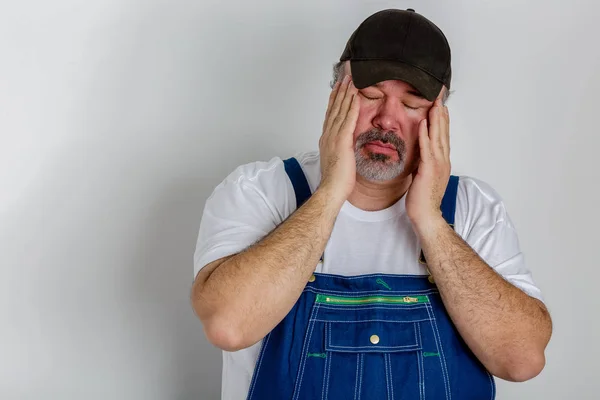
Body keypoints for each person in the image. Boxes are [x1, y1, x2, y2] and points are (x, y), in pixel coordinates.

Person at [191, 8, 553, 400]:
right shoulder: (261, 190)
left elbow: (522, 360)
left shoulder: (472, 208)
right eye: (370, 95)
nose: (387, 119)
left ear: (439, 117)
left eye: (413, 104)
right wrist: (330, 193)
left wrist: (430, 221)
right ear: (336, 96)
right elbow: (228, 325)